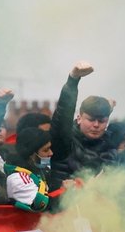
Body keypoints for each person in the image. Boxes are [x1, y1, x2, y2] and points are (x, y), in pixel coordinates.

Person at [49, 61, 118, 191]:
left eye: (101, 121)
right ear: (79, 118)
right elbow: (63, 114)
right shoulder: (65, 140)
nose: (96, 125)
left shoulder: (109, 144)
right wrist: (73, 80)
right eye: (91, 120)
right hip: (63, 205)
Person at [4, 127, 56, 212]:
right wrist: (66, 194)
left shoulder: (40, 170)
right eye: (46, 150)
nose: (51, 153)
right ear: (31, 154)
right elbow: (41, 204)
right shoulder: (17, 178)